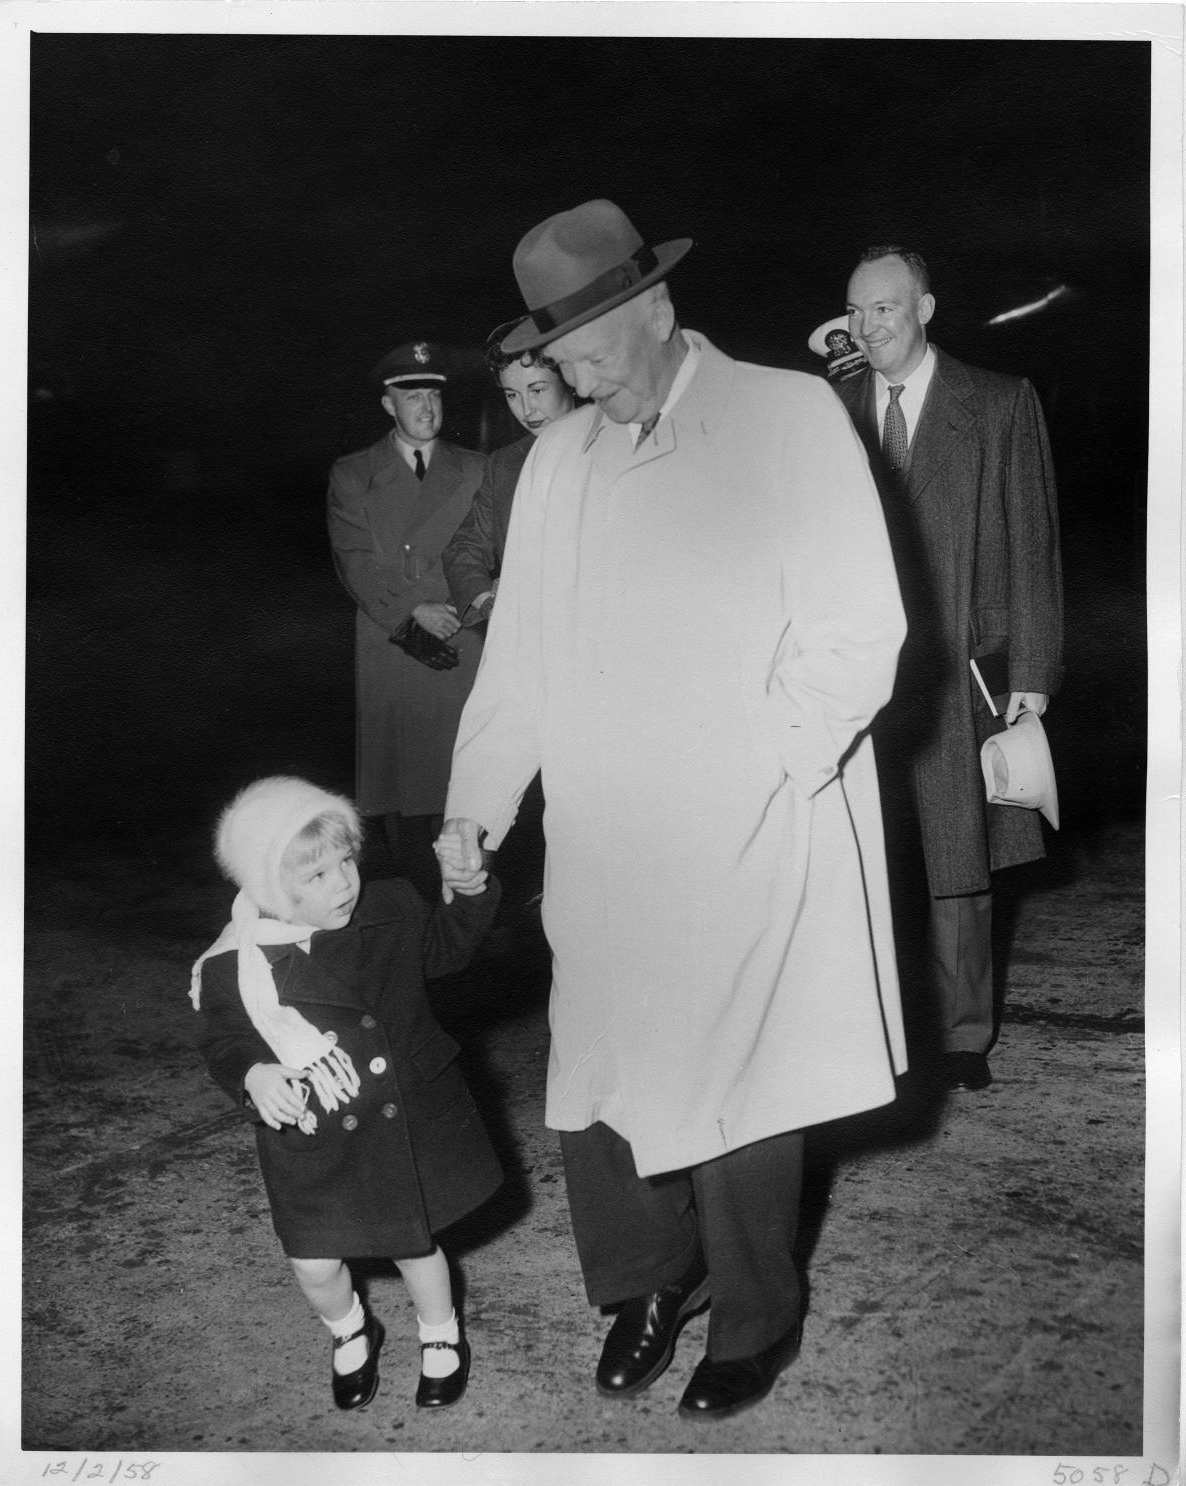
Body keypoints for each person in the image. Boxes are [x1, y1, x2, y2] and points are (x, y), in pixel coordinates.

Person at [435, 199, 908, 1422]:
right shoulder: (557, 460)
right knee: (600, 1058)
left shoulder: (785, 415)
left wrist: (768, 766)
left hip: (756, 815)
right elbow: (521, 661)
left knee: (745, 1068)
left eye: (594, 355)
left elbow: (860, 630)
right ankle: (650, 1278)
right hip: (608, 829)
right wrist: (473, 810)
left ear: (654, 310)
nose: (581, 382)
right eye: (562, 365)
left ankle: (755, 1313)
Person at [190, 775, 502, 1412]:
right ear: (272, 890)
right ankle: (350, 1329)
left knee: (413, 1242)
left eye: (346, 861)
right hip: (313, 1135)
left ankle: (441, 1336)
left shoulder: (389, 908)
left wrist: (470, 893)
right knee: (314, 1263)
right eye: (317, 876)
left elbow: (448, 948)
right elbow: (224, 1039)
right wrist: (253, 1074)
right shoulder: (236, 965)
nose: (343, 884)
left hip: (397, 1114)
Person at [839, 246, 1064, 1093]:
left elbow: (1032, 543)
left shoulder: (998, 403)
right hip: (861, 674)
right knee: (873, 857)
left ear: (925, 309)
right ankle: (883, 1035)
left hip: (961, 664)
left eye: (885, 309)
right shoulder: (832, 409)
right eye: (857, 312)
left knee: (957, 852)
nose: (868, 328)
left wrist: (1032, 668)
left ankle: (964, 1036)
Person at [327, 340, 487, 895]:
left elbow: (495, 550)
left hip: (462, 637)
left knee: (466, 775)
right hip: (394, 640)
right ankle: (421, 898)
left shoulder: (476, 469)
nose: (426, 408)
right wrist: (410, 608)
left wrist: (471, 603)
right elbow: (355, 561)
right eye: (411, 396)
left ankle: (469, 899)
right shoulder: (353, 475)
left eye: (434, 396)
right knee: (406, 791)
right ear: (387, 405)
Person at [443, 318, 577, 625]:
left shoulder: (617, 445)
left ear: (569, 379)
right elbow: (462, 550)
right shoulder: (504, 464)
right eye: (512, 394)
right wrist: (488, 602)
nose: (526, 409)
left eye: (538, 389)